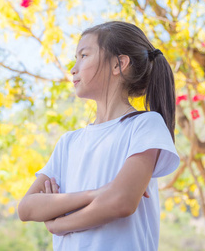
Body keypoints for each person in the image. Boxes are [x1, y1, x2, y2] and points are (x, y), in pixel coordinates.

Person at [17, 21, 180, 251]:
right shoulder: (68, 142)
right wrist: (100, 193)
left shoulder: (145, 125)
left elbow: (121, 202)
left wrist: (58, 223)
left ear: (118, 64)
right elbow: (26, 208)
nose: (74, 68)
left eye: (84, 56)